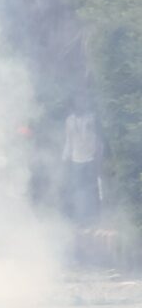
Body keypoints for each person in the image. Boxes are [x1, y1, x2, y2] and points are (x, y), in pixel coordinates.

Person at [62, 95, 103, 226]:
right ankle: (81, 219)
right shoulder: (69, 121)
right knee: (79, 190)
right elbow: (69, 140)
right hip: (76, 160)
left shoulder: (91, 118)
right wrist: (64, 158)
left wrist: (98, 156)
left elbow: (97, 139)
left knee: (91, 189)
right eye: (77, 103)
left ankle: (94, 219)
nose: (79, 105)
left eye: (82, 102)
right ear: (73, 105)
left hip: (90, 158)